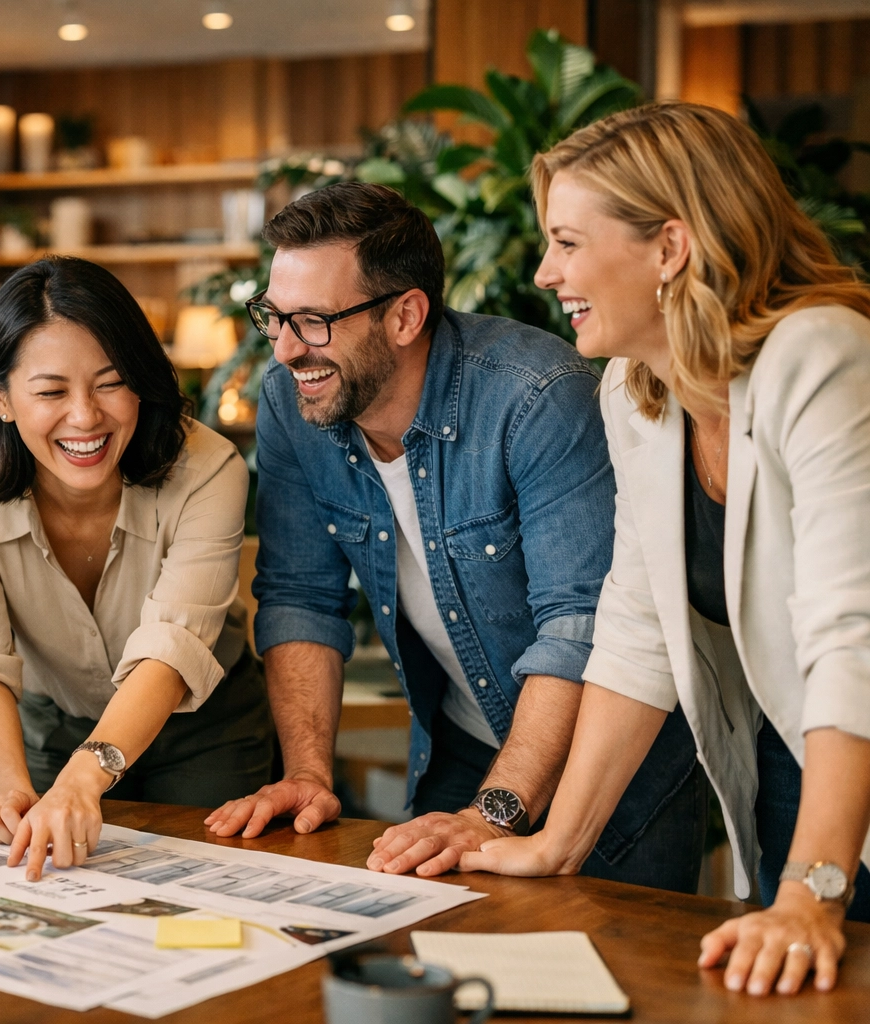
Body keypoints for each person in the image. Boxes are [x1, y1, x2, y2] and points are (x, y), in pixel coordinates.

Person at [460, 103, 870, 997]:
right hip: (798, 768)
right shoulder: (639, 392)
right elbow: (637, 627)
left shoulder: (823, 356)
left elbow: (855, 641)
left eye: (567, 242)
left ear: (670, 247)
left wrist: (814, 889)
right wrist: (557, 842)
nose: (544, 271)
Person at [203, 181, 707, 893]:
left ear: (406, 314)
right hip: (464, 742)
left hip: (612, 766)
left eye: (313, 320)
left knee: (615, 981)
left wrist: (497, 811)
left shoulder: (535, 395)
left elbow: (579, 624)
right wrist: (308, 775)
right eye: (274, 317)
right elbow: (299, 595)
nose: (285, 351)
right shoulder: (295, 400)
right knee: (441, 966)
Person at [0, 257, 273, 880]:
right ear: (0, 395)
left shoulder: (210, 467)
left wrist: (84, 780)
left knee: (208, 898)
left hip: (203, 732)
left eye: (111, 383)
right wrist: (10, 792)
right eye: (51, 391)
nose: (84, 417)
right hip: (50, 724)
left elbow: (173, 647)